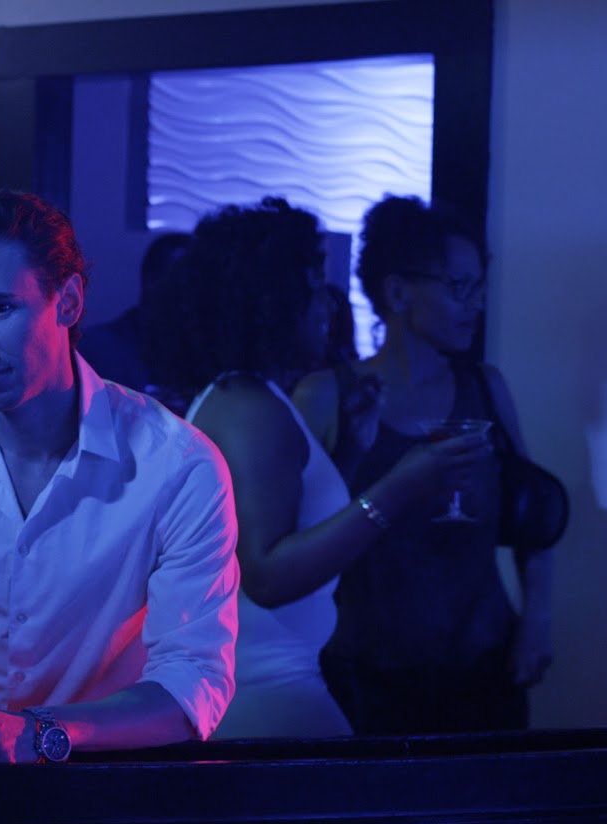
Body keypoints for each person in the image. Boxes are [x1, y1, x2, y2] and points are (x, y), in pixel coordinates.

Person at [0, 189, 239, 783]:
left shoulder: (179, 464)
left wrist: (43, 733)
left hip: (114, 779)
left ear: (69, 301)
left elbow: (193, 678)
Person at [148, 198, 488, 738]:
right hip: (270, 696)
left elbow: (293, 525)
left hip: (277, 688)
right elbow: (267, 574)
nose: (327, 305)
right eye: (312, 288)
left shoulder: (253, 397)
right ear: (272, 303)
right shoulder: (248, 407)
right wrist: (402, 485)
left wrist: (350, 453)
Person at [293, 195, 553, 734]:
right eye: (460, 286)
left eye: (479, 287)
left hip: (483, 667)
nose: (476, 304)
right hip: (365, 676)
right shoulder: (328, 395)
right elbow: (295, 539)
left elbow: (532, 518)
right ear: (396, 292)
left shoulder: (486, 387)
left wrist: (537, 620)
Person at [77, 231, 191, 403]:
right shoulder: (98, 348)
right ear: (151, 281)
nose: (191, 294)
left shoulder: (202, 355)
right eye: (182, 282)